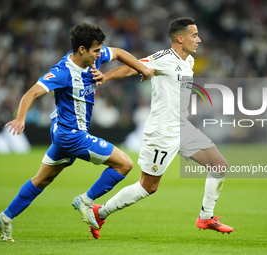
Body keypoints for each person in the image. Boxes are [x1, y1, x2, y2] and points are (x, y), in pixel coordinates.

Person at [0, 22, 154, 242]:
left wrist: (143, 69)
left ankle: (5, 217)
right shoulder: (62, 72)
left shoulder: (90, 59)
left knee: (41, 180)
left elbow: (119, 53)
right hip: (72, 135)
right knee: (124, 164)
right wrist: (20, 118)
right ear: (82, 49)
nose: (99, 55)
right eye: (95, 51)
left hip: (62, 133)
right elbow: (31, 93)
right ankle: (86, 200)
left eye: (99, 50)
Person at [88, 17, 233, 239]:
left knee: (219, 165)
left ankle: (206, 216)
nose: (199, 40)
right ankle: (101, 211)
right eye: (195, 35)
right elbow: (131, 68)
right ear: (180, 38)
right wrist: (104, 77)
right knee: (148, 187)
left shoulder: (189, 62)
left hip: (183, 127)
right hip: (162, 131)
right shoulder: (163, 58)